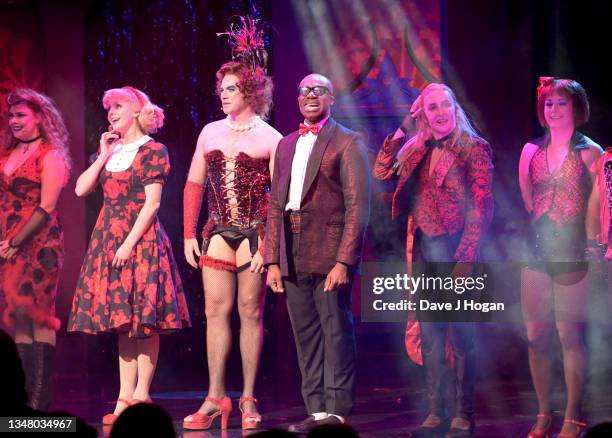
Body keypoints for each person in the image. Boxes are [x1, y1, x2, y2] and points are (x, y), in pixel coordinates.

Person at [374, 83, 494, 438]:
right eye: (431, 108)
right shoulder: (417, 146)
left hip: (458, 249)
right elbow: (381, 171)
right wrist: (403, 125)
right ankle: (435, 412)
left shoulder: (474, 148)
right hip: (426, 248)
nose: (439, 113)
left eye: (445, 106)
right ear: (422, 113)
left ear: (455, 108)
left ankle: (463, 414)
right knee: (430, 335)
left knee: (461, 337)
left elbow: (482, 207)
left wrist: (467, 256)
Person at [67, 86, 190, 424]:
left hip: (141, 239)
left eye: (118, 106)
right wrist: (103, 154)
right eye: (108, 108)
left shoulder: (154, 151)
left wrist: (128, 243)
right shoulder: (113, 151)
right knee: (124, 322)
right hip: (108, 237)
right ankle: (124, 396)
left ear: (137, 110)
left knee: (144, 322)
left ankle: (141, 394)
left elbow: (152, 205)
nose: (111, 112)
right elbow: (80, 188)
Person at [182, 17, 281, 431]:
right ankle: (214, 396)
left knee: (249, 313)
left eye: (230, 89)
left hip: (256, 231)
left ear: (251, 92)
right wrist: (189, 233)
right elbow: (193, 185)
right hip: (219, 229)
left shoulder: (272, 138)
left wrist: (268, 247)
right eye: (221, 89)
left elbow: (278, 202)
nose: (222, 95)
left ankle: (248, 398)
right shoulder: (209, 132)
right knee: (215, 310)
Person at [264, 73, 370, 433]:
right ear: (297, 99)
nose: (310, 94)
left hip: (329, 250)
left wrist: (345, 260)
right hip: (292, 249)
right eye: (304, 89)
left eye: (318, 90)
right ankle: (317, 411)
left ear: (331, 97)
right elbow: (276, 205)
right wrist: (272, 259)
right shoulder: (287, 144)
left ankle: (337, 411)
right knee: (305, 334)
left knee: (335, 330)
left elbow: (358, 206)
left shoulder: (347, 142)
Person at [518, 77, 602, 438]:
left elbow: (599, 210)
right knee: (536, 335)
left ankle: (572, 416)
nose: (553, 109)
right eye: (549, 104)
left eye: (561, 103)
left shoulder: (591, 152)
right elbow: (527, 199)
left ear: (576, 108)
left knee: (569, 336)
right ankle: (543, 413)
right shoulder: (530, 151)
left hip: (574, 251)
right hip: (537, 250)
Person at [0, 88, 71, 410]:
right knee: (17, 319)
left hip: (39, 246)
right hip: (6, 246)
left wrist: (16, 242)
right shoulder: (6, 153)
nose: (14, 120)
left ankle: (39, 408)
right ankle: (23, 404)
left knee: (39, 318)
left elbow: (46, 207)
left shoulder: (50, 154)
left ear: (40, 117)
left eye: (21, 115)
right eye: (11, 115)